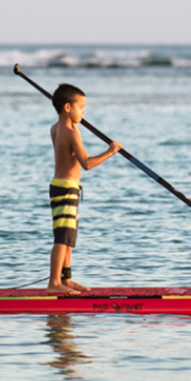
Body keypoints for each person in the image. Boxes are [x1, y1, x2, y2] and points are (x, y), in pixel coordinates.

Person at [48, 83, 122, 294]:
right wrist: (110, 152)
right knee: (62, 237)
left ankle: (66, 278)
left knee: (68, 236)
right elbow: (87, 163)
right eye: (81, 106)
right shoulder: (72, 131)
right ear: (68, 108)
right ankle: (54, 282)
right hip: (66, 188)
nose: (84, 111)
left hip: (62, 186)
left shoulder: (56, 127)